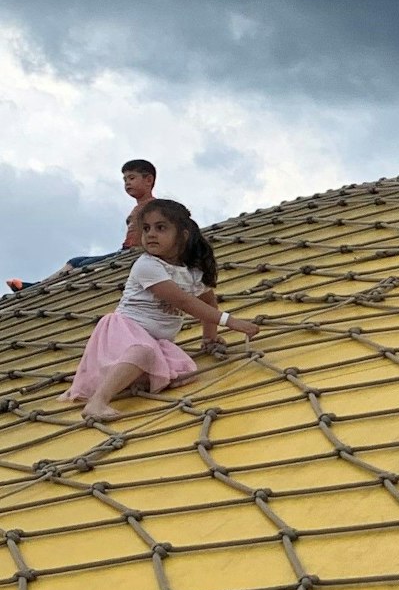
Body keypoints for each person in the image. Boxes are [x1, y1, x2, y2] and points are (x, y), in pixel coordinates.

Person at [62, 199, 261, 422]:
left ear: (183, 235)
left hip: (156, 340)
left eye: (161, 227)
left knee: (182, 371)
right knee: (143, 352)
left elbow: (208, 303)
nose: (151, 234)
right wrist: (232, 322)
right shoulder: (147, 265)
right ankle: (97, 402)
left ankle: (129, 378)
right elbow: (184, 302)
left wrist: (210, 338)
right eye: (146, 228)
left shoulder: (192, 272)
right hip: (123, 333)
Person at [9, 160, 162, 293]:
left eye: (132, 178)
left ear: (148, 180)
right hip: (125, 251)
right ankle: (40, 286)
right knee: (76, 261)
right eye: (125, 179)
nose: (127, 183)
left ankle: (39, 287)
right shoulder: (140, 207)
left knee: (80, 265)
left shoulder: (154, 207)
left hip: (132, 252)